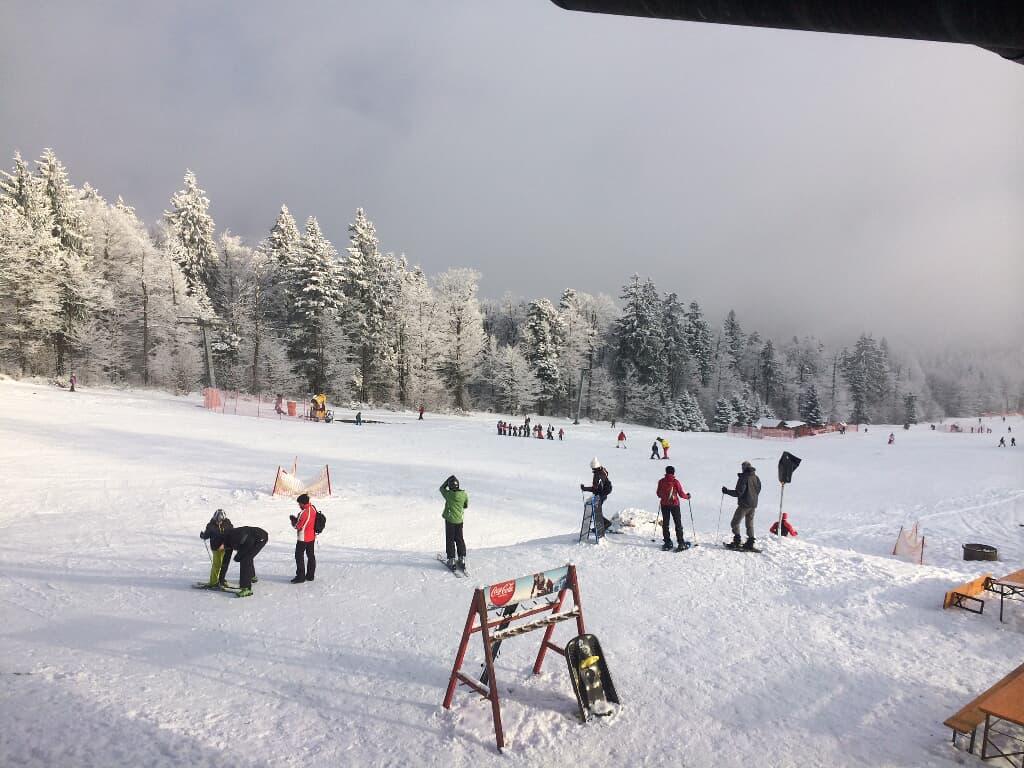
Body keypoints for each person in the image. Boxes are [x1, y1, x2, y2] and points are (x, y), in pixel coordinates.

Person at [206, 524, 268, 597]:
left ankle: (246, 588)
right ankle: (251, 576)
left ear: (221, 544)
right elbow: (226, 561)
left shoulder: (233, 537)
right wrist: (221, 580)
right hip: (250, 539)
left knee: (245, 560)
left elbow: (248, 542)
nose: (220, 550)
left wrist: (238, 556)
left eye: (219, 548)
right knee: (247, 557)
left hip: (260, 538)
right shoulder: (227, 542)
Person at [722, 460, 761, 550]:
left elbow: (739, 492)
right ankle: (750, 543)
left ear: (744, 468)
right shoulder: (756, 477)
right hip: (753, 504)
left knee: (735, 522)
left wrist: (727, 491)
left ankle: (737, 541)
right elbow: (758, 490)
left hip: (744, 504)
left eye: (742, 467)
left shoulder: (744, 477)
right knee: (749, 524)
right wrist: (752, 497)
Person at [656, 465, 691, 551]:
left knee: (665, 524)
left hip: (664, 505)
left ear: (666, 472)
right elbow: (681, 494)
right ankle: (681, 543)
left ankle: (667, 542)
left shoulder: (661, 481)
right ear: (673, 472)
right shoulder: (675, 482)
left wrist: (664, 496)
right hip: (674, 505)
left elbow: (658, 494)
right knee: (678, 523)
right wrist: (688, 496)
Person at [440, 475, 469, 572]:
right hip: (459, 520)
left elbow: (441, 488)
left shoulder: (448, 494)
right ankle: (462, 559)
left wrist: (447, 481)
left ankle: (452, 560)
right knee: (459, 539)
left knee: (450, 539)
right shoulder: (464, 494)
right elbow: (465, 505)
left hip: (450, 521)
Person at [198, 509, 234, 587]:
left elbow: (231, 533)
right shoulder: (211, 525)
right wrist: (203, 535)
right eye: (218, 519)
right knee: (217, 564)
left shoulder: (228, 523)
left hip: (225, 547)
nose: (219, 521)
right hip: (216, 548)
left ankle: (221, 579)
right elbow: (206, 535)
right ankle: (213, 581)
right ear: (215, 518)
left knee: (224, 565)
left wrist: (225, 544)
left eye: (221, 520)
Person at [580, 458, 614, 537]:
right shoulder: (603, 470)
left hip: (601, 495)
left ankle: (605, 524)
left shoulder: (597, 475)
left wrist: (584, 488)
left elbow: (595, 488)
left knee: (596, 512)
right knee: (596, 511)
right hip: (604, 493)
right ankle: (601, 526)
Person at [289, 493, 318, 583]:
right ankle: (310, 575)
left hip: (303, 538)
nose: (299, 505)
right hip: (312, 537)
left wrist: (293, 521)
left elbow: (298, 526)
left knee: (299, 556)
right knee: (311, 556)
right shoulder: (313, 508)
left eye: (299, 504)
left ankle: (300, 577)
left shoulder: (303, 513)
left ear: (303, 503)